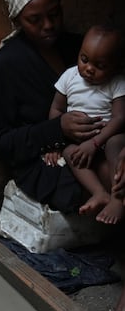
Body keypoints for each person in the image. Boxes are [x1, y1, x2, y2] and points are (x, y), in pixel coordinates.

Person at [0, 0, 105, 213]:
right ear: (16, 20)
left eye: (54, 14)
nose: (48, 25)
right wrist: (56, 129)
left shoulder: (81, 49)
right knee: (99, 176)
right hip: (44, 163)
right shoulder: (5, 65)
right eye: (34, 20)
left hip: (99, 144)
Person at [46, 24, 125, 224]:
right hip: (80, 142)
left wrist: (96, 143)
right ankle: (99, 193)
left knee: (117, 143)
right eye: (84, 59)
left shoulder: (116, 83)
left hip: (105, 139)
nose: (89, 69)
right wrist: (53, 142)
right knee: (68, 152)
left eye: (100, 65)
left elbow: (119, 118)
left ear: (115, 66)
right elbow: (56, 110)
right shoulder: (69, 77)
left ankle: (118, 198)